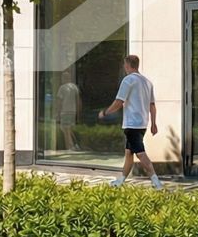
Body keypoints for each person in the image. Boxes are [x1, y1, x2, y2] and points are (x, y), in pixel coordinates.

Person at [98, 54, 163, 189]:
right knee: (129, 153)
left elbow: (119, 102)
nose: (124, 67)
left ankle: (156, 182)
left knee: (140, 153)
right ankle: (120, 181)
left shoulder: (128, 80)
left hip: (132, 124)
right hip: (142, 124)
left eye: (124, 64)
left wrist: (105, 112)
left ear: (127, 65)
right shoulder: (147, 82)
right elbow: (152, 105)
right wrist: (153, 123)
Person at [54, 75, 82, 151]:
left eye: (63, 78)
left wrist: (57, 112)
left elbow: (59, 101)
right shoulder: (74, 87)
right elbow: (78, 100)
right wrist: (78, 112)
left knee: (66, 130)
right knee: (69, 129)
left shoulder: (62, 88)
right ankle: (75, 145)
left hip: (65, 111)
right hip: (73, 111)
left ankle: (69, 147)